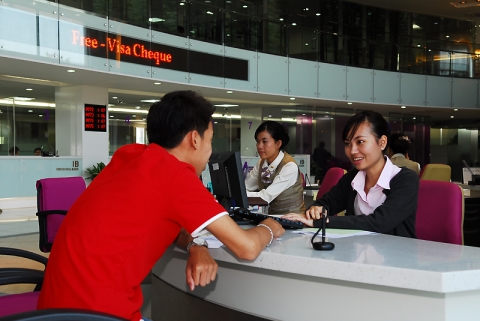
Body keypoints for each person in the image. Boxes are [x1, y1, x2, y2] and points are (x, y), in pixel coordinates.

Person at [37, 91, 284, 321]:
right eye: (210, 141)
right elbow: (247, 248)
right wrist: (271, 226)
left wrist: (195, 244)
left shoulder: (129, 156)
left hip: (53, 310)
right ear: (194, 139)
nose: (210, 152)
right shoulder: (175, 175)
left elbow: (153, 220)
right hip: (96, 313)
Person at [283, 111, 419, 238]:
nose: (352, 150)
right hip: (356, 255)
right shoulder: (354, 176)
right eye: (348, 144)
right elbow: (327, 202)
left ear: (382, 142)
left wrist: (323, 222)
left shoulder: (406, 179)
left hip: (395, 258)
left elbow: (380, 222)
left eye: (360, 142)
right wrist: (317, 210)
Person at [245, 121, 305, 215]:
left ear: (278, 144)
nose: (259, 146)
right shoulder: (262, 162)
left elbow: (265, 197)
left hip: (292, 219)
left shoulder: (289, 166)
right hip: (272, 217)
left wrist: (238, 195)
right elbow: (247, 186)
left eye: (264, 141)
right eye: (258, 141)